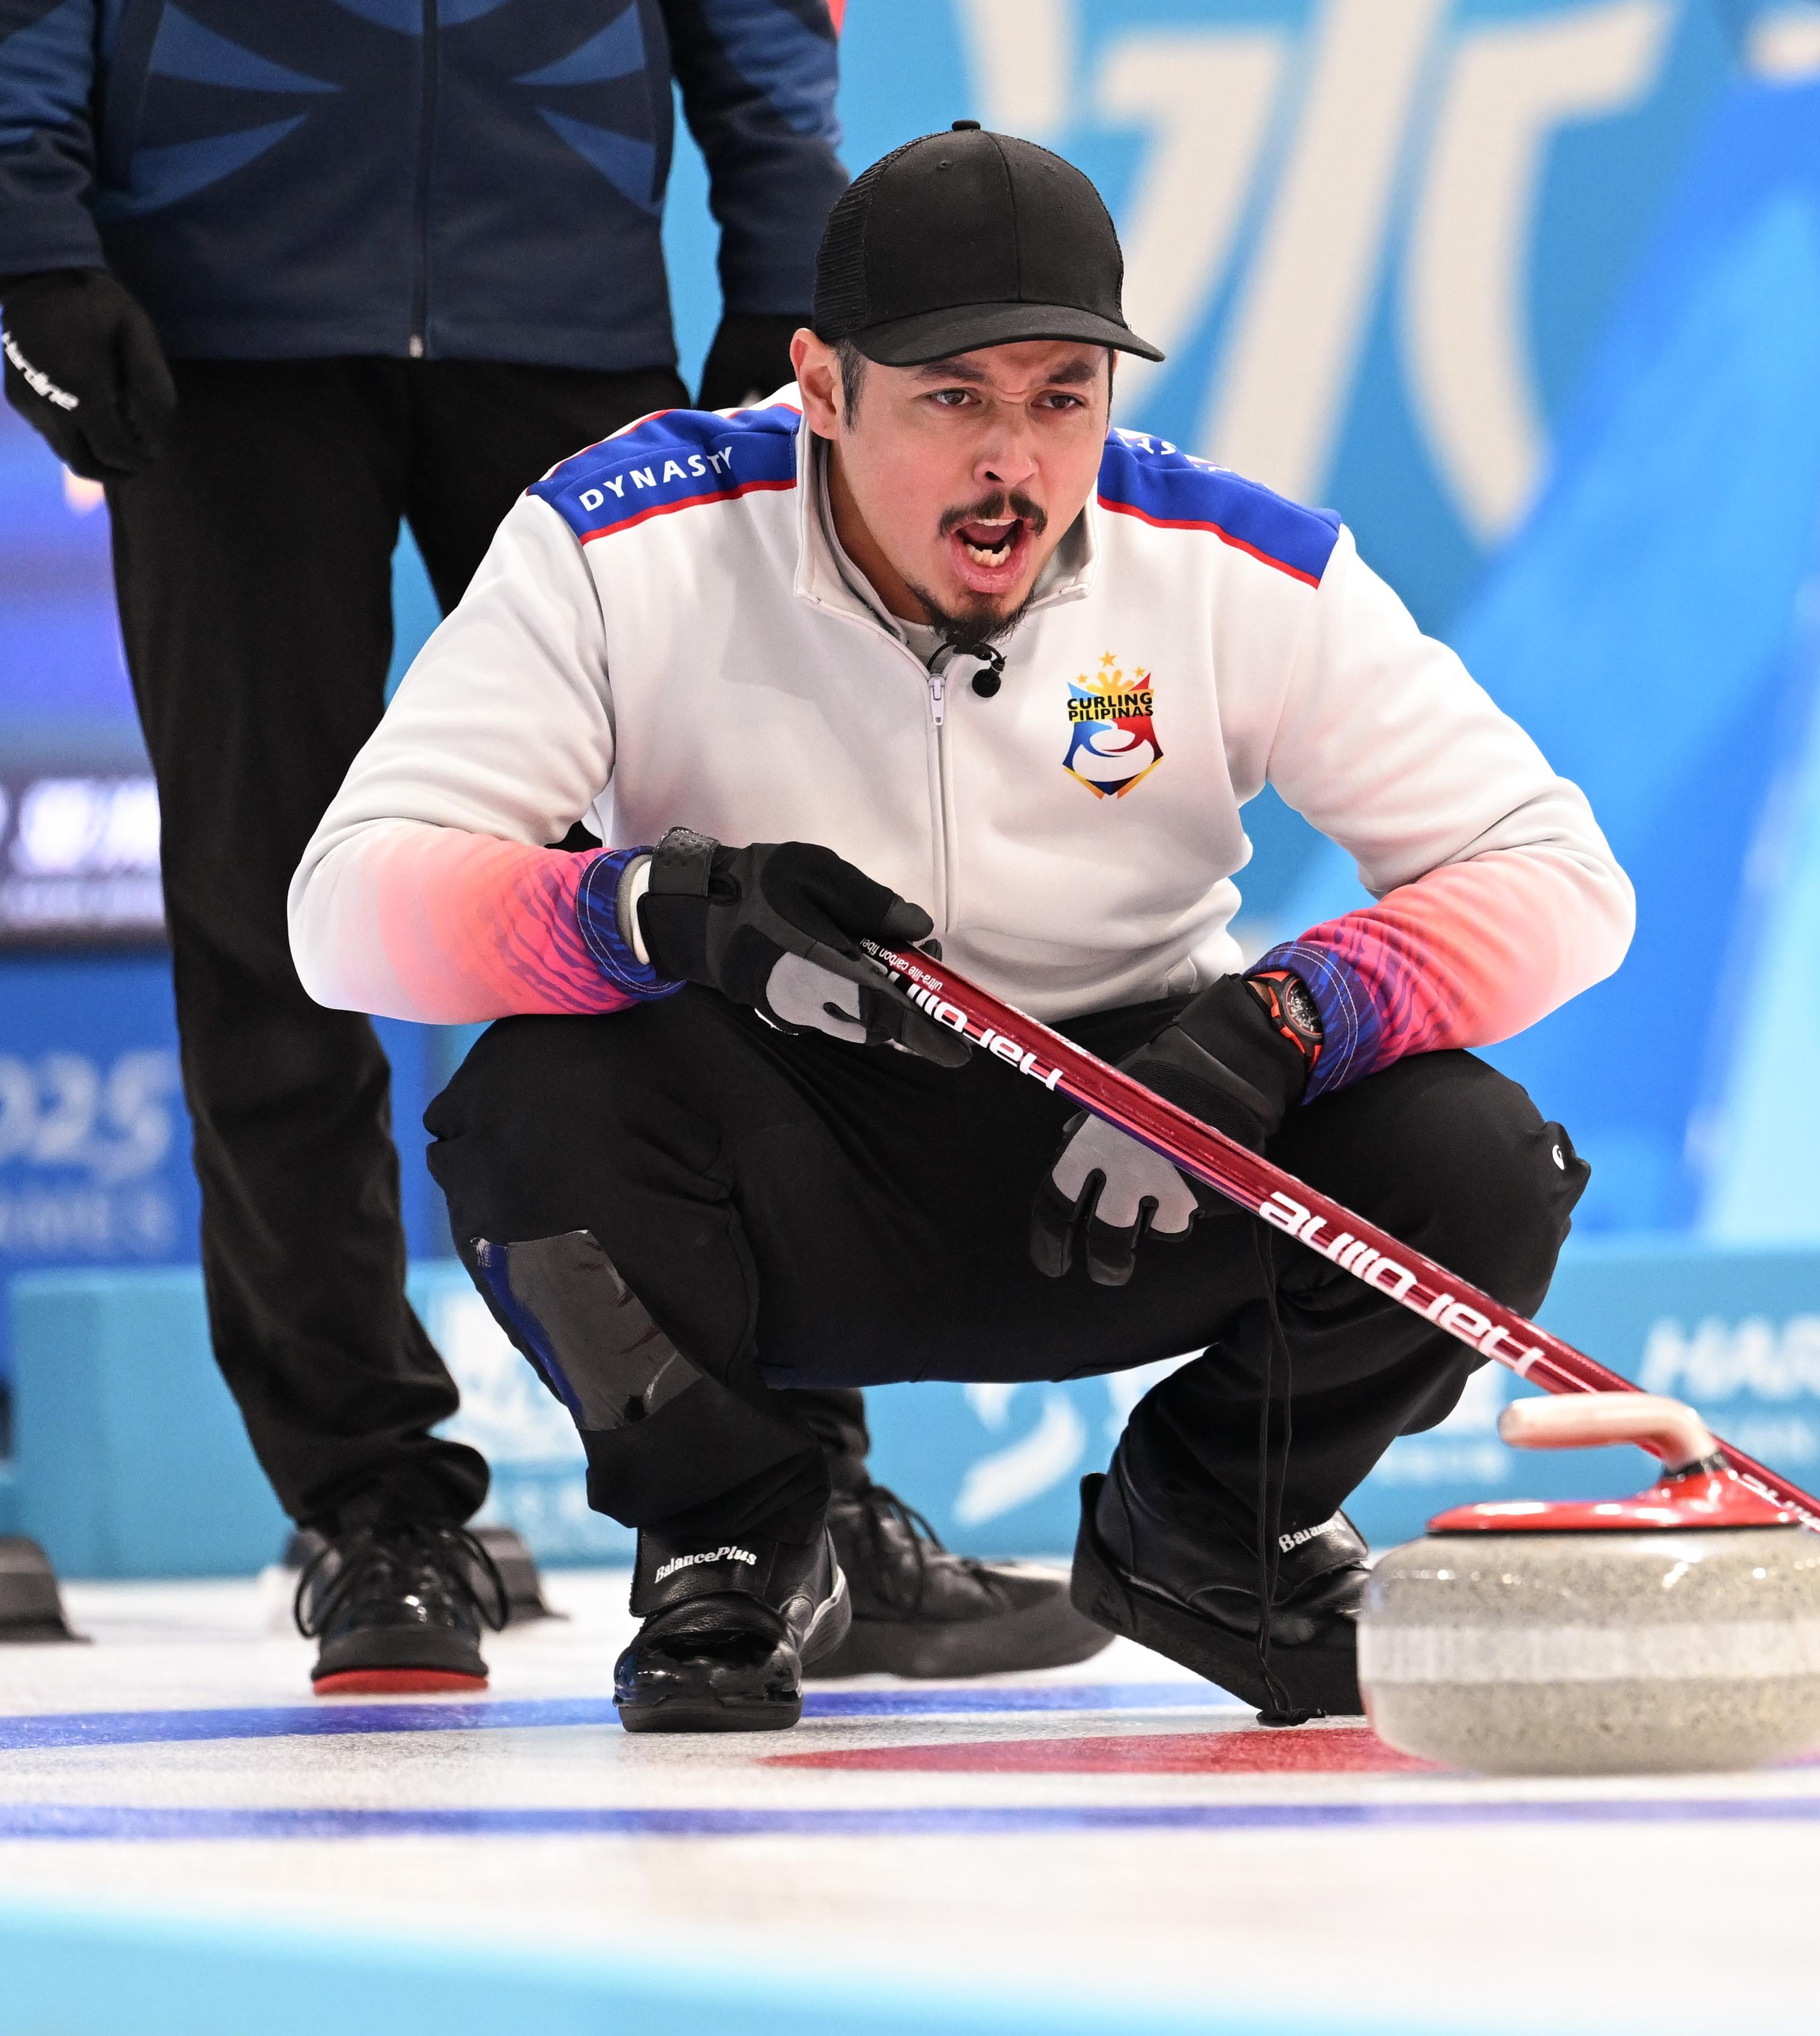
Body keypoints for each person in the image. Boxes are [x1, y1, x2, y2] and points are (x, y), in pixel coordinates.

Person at [284, 124, 1632, 1733]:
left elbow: (1560, 875)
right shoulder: (623, 538)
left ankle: (1213, 1523)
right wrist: (654, 908)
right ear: (823, 387)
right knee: (533, 1105)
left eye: (1063, 395)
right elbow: (344, 912)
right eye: (953, 398)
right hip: (794, 1163)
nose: (1015, 460)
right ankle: (735, 1526)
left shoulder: (1227, 562)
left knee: (1478, 1159)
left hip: (1144, 1144)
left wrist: (1283, 1023)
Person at [0, 2, 1068, 1696]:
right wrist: (29, 227)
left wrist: (788, 240)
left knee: (713, 898)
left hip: (564, 312)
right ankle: (371, 1506)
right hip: (225, 323)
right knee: (272, 919)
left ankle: (791, 1484)